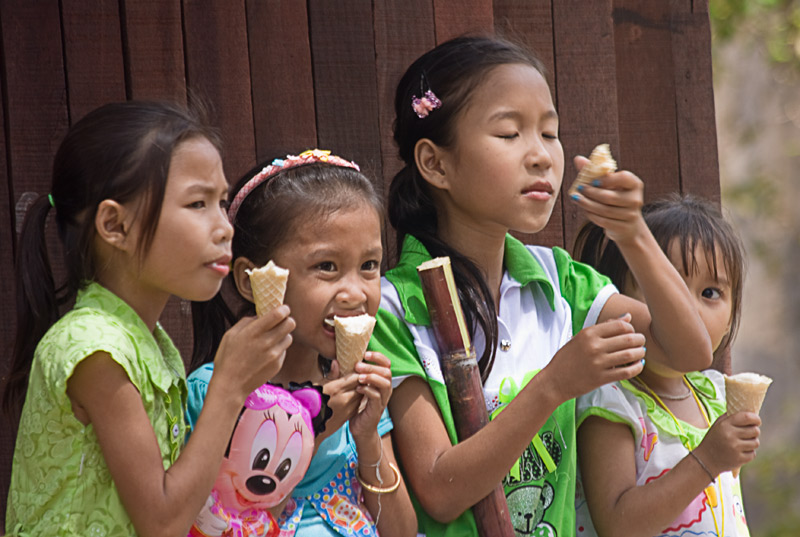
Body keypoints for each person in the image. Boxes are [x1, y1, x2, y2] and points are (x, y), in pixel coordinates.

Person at [367, 35, 713, 536]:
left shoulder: (560, 282)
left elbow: (687, 349)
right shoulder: (395, 306)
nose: (541, 156)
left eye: (550, 133)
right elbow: (441, 491)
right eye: (510, 134)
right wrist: (553, 385)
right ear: (435, 163)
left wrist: (633, 234)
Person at [2, 101, 294, 537]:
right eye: (198, 203)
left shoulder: (151, 343)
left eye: (222, 202)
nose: (224, 227)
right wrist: (229, 387)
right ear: (114, 225)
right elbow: (161, 521)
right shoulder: (94, 349)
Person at [188, 149, 417, 537]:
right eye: (326, 267)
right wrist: (316, 428)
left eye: (369, 266)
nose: (355, 293)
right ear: (255, 280)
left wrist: (366, 438)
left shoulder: (355, 385)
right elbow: (220, 524)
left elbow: (401, 531)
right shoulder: (217, 392)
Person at [573, 193, 760, 537]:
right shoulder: (611, 401)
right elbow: (618, 524)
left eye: (709, 293)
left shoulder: (715, 395)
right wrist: (708, 459)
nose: (685, 313)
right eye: (663, 292)